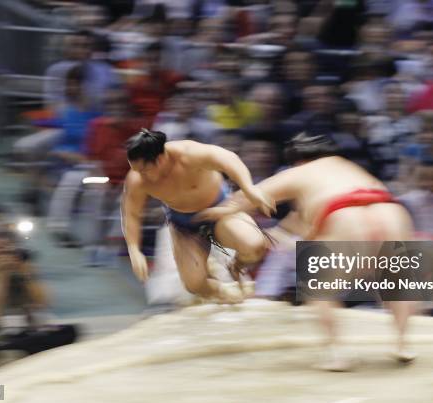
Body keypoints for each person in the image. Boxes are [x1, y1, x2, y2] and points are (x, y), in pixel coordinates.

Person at [197, 132, 416, 371]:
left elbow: (243, 199)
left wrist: (200, 217)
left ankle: (337, 354)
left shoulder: (299, 172)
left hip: (345, 216)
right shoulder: (349, 168)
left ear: (298, 161)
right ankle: (403, 344)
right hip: (392, 211)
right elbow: (294, 224)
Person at [122, 129, 274, 303]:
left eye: (144, 170)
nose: (138, 175)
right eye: (136, 170)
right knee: (194, 285)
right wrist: (134, 250)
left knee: (254, 245)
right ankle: (221, 291)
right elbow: (132, 214)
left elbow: (228, 158)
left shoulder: (188, 153)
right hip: (184, 225)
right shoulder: (137, 179)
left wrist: (248, 187)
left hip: (218, 212)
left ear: (161, 159)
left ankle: (236, 266)